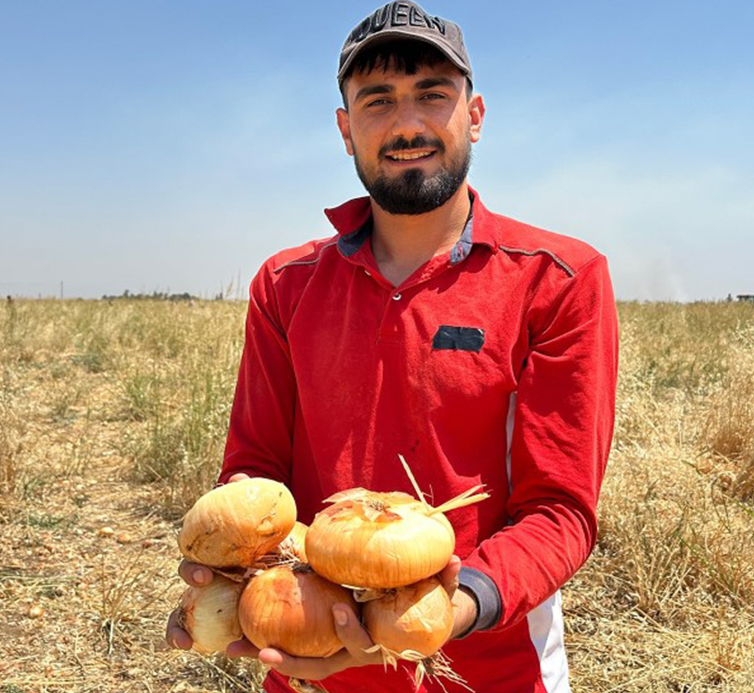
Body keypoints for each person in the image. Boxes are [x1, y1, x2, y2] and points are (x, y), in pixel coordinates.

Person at [166, 3, 618, 692]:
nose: (407, 123)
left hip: (488, 668)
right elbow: (255, 471)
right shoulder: (285, 285)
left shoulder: (556, 279)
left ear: (476, 114)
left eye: (432, 94)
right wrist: (227, 566)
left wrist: (447, 608)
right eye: (377, 101)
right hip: (305, 663)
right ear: (345, 130)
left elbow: (559, 511)